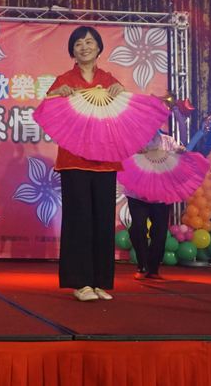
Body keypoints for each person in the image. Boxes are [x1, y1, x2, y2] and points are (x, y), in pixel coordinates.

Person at [46, 26, 125, 302]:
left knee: (103, 221)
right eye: (78, 43)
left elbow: (123, 115)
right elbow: (47, 114)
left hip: (105, 159)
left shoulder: (109, 80)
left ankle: (100, 281)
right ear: (72, 51)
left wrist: (121, 93)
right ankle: (80, 282)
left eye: (89, 42)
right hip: (74, 160)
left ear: (99, 48)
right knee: (78, 220)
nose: (84, 47)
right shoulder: (64, 80)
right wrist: (57, 96)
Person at [126, 130, 185, 281]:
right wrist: (134, 153)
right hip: (137, 194)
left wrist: (181, 153)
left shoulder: (168, 141)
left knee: (160, 232)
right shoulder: (135, 140)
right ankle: (142, 265)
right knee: (138, 228)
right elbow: (123, 159)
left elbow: (179, 162)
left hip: (161, 195)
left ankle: (153, 268)